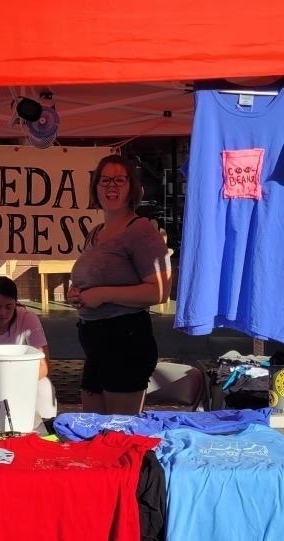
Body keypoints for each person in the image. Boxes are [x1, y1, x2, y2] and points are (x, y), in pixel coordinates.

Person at [69, 154, 172, 415]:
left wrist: (102, 295)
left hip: (125, 342)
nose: (111, 186)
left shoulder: (141, 231)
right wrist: (78, 293)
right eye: (104, 180)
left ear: (131, 187)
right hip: (95, 343)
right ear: (95, 187)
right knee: (93, 429)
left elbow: (160, 291)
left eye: (119, 180)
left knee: (119, 432)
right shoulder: (95, 232)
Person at [0, 276, 58, 420]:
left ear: (16, 303)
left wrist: (7, 382)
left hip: (21, 378)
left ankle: (45, 424)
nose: (2, 313)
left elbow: (43, 366)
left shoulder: (28, 318)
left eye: (9, 307)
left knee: (45, 387)